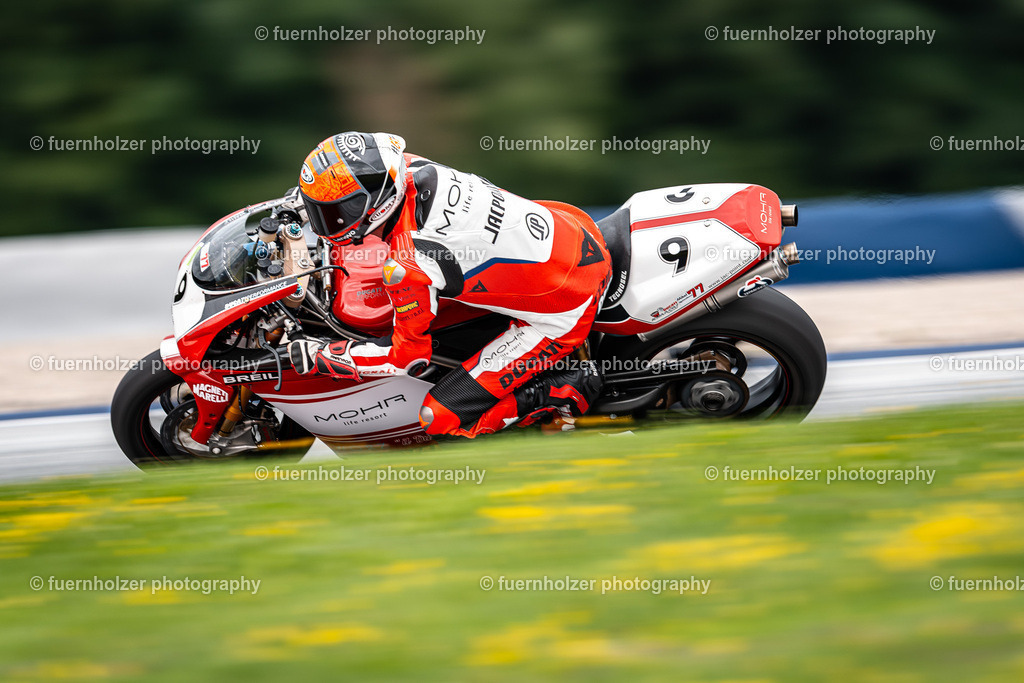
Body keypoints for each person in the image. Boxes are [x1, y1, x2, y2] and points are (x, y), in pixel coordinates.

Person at [288, 132, 610, 438]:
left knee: (437, 417)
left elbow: (407, 360)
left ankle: (562, 389)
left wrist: (323, 355)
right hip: (572, 227)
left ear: (377, 205)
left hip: (565, 308)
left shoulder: (409, 263)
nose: (326, 223)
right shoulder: (411, 166)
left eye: (336, 213)